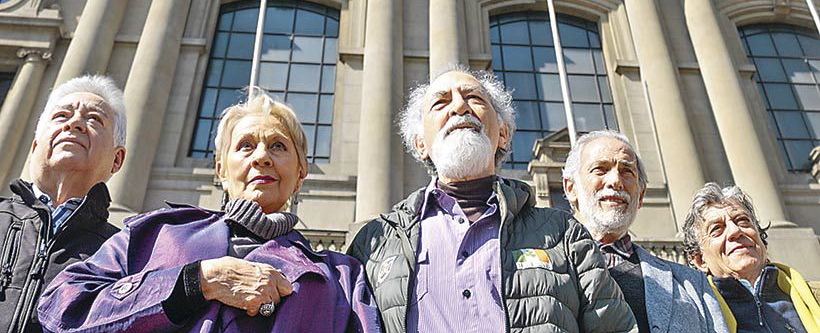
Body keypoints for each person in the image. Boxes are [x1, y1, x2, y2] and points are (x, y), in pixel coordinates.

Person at [37, 92, 380, 333]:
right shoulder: (155, 234)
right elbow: (62, 307)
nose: (262, 157)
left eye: (278, 146)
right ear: (221, 168)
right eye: (245, 146)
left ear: (301, 172)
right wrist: (197, 282)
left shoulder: (343, 278)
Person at [347, 65, 636, 333]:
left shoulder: (564, 235)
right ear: (421, 143)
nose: (459, 107)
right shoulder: (376, 243)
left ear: (503, 133)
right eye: (441, 102)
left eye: (474, 98)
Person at [562, 130, 729, 333]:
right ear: (570, 188)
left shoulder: (694, 285)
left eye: (627, 171)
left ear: (640, 195)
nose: (615, 181)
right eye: (600, 169)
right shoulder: (533, 273)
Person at [0, 75, 126, 333]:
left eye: (94, 119)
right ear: (35, 147)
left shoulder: (124, 253)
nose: (75, 123)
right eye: (61, 116)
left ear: (117, 160)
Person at [682, 183, 820, 333]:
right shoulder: (692, 316)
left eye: (742, 221)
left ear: (760, 239)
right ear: (700, 260)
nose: (735, 231)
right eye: (717, 229)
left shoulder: (815, 296)